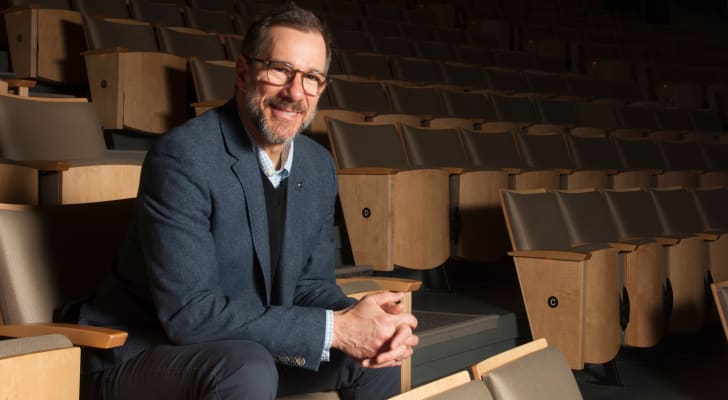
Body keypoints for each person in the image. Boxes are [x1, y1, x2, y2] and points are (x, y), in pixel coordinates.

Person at [69, 3, 418, 399]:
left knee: (370, 357)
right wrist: (336, 329)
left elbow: (309, 286)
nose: (294, 92)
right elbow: (191, 315)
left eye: (311, 78)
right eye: (280, 70)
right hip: (144, 354)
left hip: (247, 350)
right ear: (242, 72)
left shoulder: (318, 166)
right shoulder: (183, 157)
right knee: (246, 366)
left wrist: (365, 323)